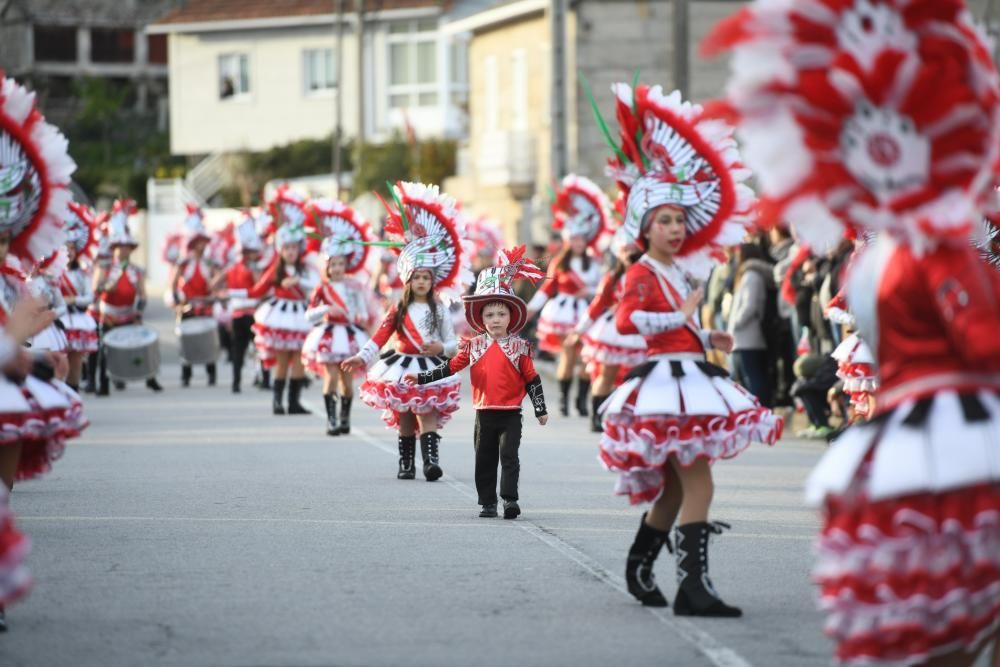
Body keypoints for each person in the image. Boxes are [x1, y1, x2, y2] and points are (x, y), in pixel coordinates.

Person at [708, 2, 1000, 663]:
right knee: (971, 595)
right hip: (963, 426)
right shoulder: (934, 251)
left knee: (930, 603)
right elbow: (984, 343)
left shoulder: (875, 254)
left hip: (899, 433)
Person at [593, 81, 782, 615]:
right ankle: (692, 589)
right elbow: (630, 322)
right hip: (664, 384)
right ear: (644, 228)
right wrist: (679, 318)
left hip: (689, 373)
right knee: (695, 486)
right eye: (665, 221)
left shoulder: (676, 269)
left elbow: (678, 325)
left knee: (676, 492)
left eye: (680, 220)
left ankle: (639, 567)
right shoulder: (641, 272)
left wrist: (707, 335)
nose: (676, 229)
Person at [342, 181, 472, 482]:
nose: (423, 282)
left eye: (427, 277)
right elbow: (379, 337)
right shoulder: (397, 309)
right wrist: (361, 358)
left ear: (434, 280)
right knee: (403, 417)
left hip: (429, 367)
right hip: (400, 366)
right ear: (408, 281)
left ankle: (430, 463)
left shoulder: (439, 309)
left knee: (427, 413)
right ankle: (406, 463)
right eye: (417, 277)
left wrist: (442, 349)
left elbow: (452, 342)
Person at [406, 247, 548, 519]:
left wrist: (540, 409)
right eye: (490, 315)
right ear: (481, 319)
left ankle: (509, 500)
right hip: (484, 414)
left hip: (511, 414)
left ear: (511, 317)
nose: (496, 320)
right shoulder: (475, 346)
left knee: (509, 458)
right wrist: (423, 378)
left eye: (502, 315)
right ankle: (487, 501)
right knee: (484, 459)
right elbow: (451, 367)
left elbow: (532, 378)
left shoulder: (519, 347)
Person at [526, 175, 608, 418]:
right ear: (568, 240)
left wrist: (589, 292)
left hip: (587, 312)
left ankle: (581, 400)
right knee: (569, 356)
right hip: (563, 312)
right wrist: (530, 309)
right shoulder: (559, 263)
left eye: (582, 239)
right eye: (574, 239)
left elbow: (603, 287)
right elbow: (546, 289)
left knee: (586, 359)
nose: (579, 243)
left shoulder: (595, 263)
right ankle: (564, 399)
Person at [302, 200, 374, 436]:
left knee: (347, 382)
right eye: (333, 264)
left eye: (341, 263)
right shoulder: (322, 288)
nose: (338, 268)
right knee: (330, 377)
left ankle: (344, 417)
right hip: (328, 335)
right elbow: (309, 315)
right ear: (327, 266)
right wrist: (326, 311)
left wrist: (359, 317)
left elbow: (362, 310)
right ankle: (331, 420)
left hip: (350, 335)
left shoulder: (355, 286)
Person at [568, 230, 647, 431]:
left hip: (639, 330)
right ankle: (597, 416)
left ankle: (630, 416)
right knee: (607, 374)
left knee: (637, 377)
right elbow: (597, 305)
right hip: (614, 331)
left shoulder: (650, 276)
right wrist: (579, 330)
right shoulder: (612, 277)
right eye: (625, 250)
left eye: (633, 249)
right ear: (619, 253)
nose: (630, 254)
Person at [249, 189, 318, 415]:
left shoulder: (305, 269)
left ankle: (294, 402)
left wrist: (299, 281)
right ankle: (278, 402)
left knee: (299, 360)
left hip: (300, 315)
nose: (290, 252)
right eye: (286, 248)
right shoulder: (275, 269)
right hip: (280, 315)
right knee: (281, 361)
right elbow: (258, 289)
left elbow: (316, 285)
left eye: (294, 248)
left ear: (299, 249)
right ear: (281, 249)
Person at [93, 199, 163, 394]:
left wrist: (139, 312)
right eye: (120, 247)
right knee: (104, 351)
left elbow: (142, 294)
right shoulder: (105, 268)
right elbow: (96, 290)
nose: (123, 250)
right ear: (114, 248)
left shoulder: (136, 271)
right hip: (108, 315)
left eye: (127, 247)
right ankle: (103, 384)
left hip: (129, 314)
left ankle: (150, 379)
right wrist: (108, 287)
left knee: (142, 345)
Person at [170, 205, 218, 387]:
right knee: (186, 340)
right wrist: (177, 304)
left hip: (205, 305)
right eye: (199, 242)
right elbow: (174, 284)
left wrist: (214, 291)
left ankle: (211, 373)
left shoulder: (210, 262)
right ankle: (186, 375)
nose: (202, 245)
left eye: (204, 242)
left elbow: (214, 282)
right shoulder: (183, 263)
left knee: (208, 339)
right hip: (187, 306)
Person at [219, 217, 264, 393]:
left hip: (237, 314)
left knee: (238, 350)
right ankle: (264, 380)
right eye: (253, 251)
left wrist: (225, 292)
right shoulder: (251, 269)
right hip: (251, 314)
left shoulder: (231, 268)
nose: (255, 254)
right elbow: (259, 287)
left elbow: (214, 283)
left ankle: (236, 383)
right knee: (260, 348)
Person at [727, 243, 774, 407]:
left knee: (753, 376)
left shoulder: (751, 276)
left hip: (748, 336)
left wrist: (735, 325)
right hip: (743, 337)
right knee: (747, 376)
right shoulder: (748, 275)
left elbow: (750, 306)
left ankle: (760, 408)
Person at [59, 203, 99, 391]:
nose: (69, 252)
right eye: (66, 248)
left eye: (72, 249)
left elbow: (89, 297)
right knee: (59, 360)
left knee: (75, 360)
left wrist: (73, 300)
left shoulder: (82, 275)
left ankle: (74, 391)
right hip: (57, 320)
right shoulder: (52, 274)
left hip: (77, 320)